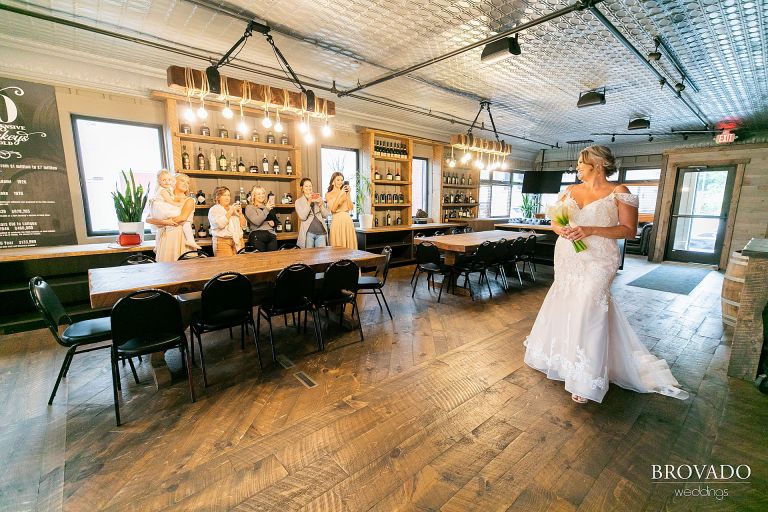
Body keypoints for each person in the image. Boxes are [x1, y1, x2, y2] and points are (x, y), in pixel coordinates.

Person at [523, 145, 689, 404]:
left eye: (581, 162)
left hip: (600, 258)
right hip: (568, 254)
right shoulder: (569, 190)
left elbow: (628, 230)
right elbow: (555, 220)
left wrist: (590, 229)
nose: (577, 166)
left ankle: (586, 376)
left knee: (590, 306)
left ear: (597, 164)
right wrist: (561, 231)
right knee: (567, 302)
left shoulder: (619, 192)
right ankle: (564, 360)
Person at [146, 172, 196, 262]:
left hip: (180, 237)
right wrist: (164, 223)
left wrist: (159, 222)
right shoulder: (163, 198)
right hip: (164, 238)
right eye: (182, 181)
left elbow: (182, 218)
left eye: (188, 182)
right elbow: (148, 219)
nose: (186, 184)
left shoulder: (189, 200)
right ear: (173, 182)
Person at [208, 186, 246, 256]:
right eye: (224, 195)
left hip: (238, 240)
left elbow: (244, 226)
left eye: (228, 195)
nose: (227, 197)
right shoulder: (214, 209)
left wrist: (240, 214)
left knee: (240, 265)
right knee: (226, 265)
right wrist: (231, 211)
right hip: (222, 242)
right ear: (217, 197)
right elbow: (220, 224)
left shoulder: (233, 208)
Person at [325, 172, 357, 249]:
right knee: (337, 245)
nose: (340, 182)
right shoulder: (328, 194)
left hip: (347, 220)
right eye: (338, 180)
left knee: (349, 245)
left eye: (342, 180)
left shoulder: (345, 192)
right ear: (333, 182)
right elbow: (333, 209)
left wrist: (348, 194)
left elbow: (350, 208)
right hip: (337, 221)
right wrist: (340, 194)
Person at [295, 178, 330, 248]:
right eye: (306, 186)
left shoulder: (318, 198)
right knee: (308, 257)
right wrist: (309, 202)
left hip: (321, 233)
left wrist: (320, 205)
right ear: (302, 188)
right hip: (308, 234)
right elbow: (302, 217)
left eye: (310, 186)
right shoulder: (298, 202)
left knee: (322, 257)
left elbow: (325, 215)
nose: (309, 188)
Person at [244, 186, 278, 252]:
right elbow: (257, 221)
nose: (261, 195)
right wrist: (267, 210)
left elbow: (276, 221)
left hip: (271, 234)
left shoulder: (268, 206)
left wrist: (274, 223)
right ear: (254, 196)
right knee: (260, 260)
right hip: (257, 235)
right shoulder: (250, 207)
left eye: (263, 193)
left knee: (272, 260)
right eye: (258, 194)